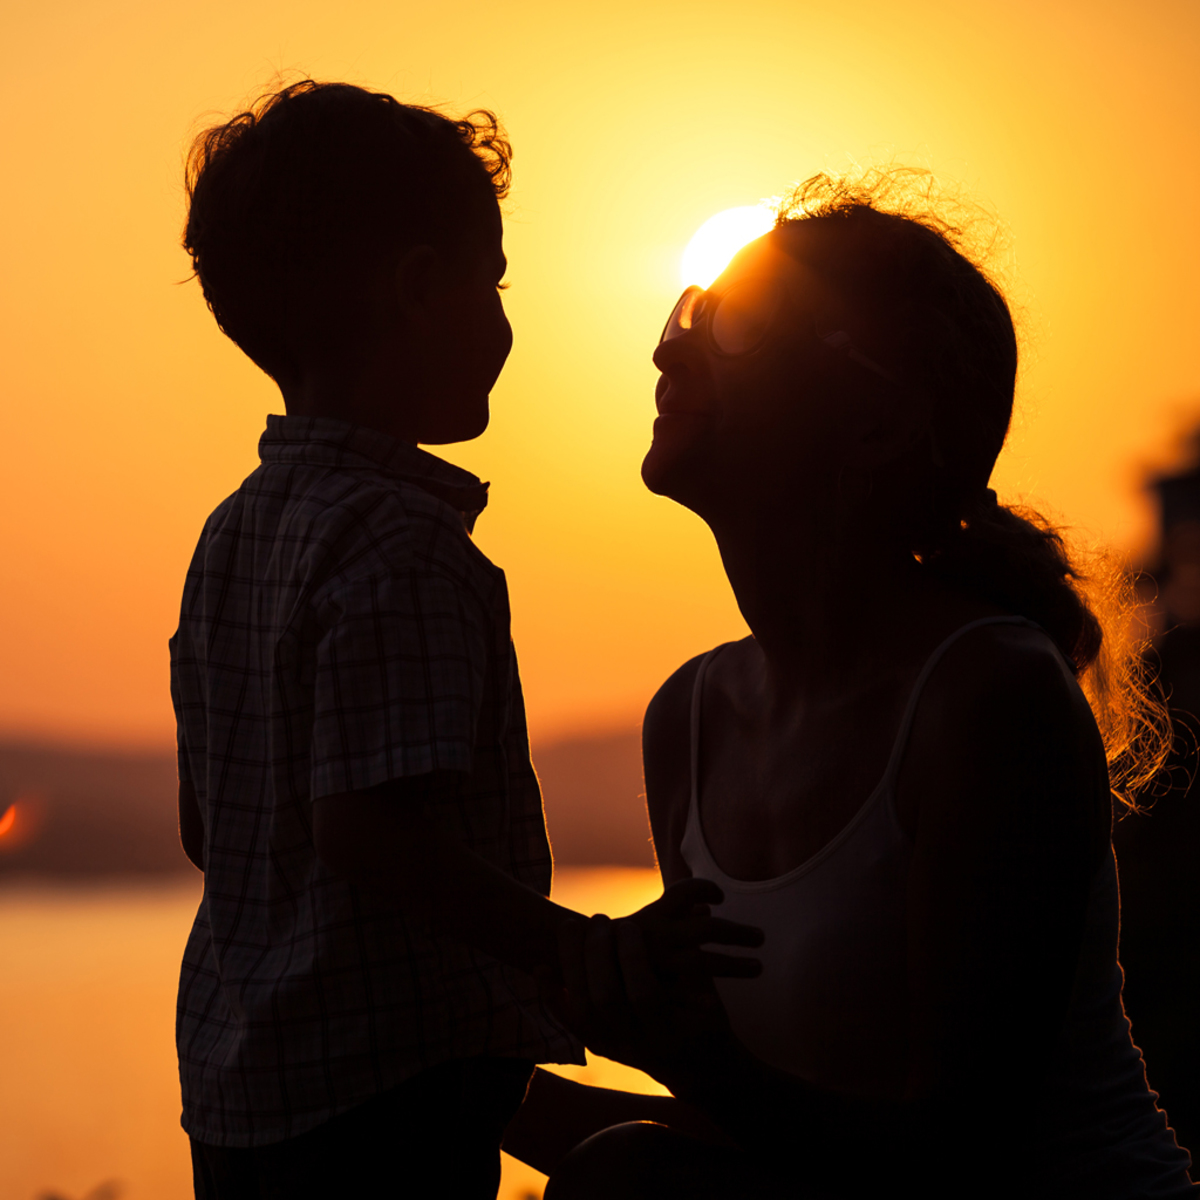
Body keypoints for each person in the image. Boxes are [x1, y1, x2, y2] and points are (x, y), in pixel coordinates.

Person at [503, 172, 1198, 1198]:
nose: (669, 346)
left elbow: (957, 1161)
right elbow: (768, 1131)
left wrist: (687, 1057)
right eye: (688, 307)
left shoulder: (986, 699)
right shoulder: (692, 719)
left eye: (735, 321)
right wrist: (457, 1083)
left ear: (874, 429)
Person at [170, 80, 760, 1200]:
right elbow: (367, 832)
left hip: (243, 1083)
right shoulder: (409, 547)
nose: (502, 317)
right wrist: (577, 950)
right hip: (385, 1097)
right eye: (493, 282)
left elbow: (213, 823)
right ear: (422, 291)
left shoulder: (232, 537)